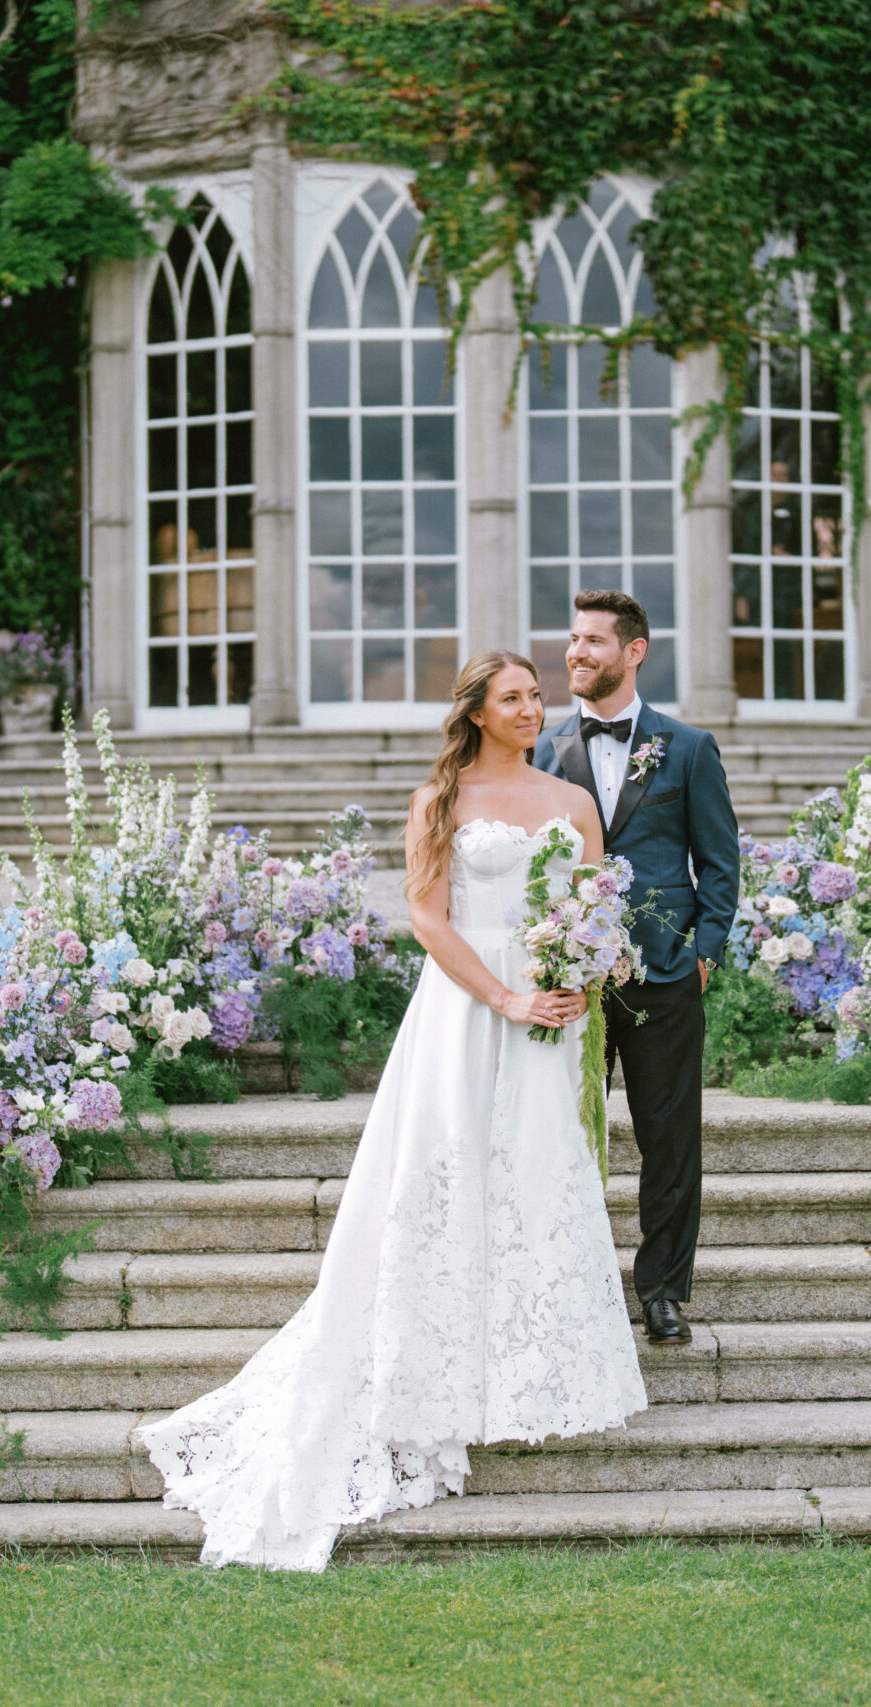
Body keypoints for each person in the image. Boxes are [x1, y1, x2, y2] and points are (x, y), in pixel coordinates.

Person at [139, 649, 647, 1570]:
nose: (532, 708)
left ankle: (534, 1384)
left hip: (553, 1017)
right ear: (477, 712)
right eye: (513, 697)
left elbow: (594, 902)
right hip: (467, 1011)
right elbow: (429, 918)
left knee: (539, 1176)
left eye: (536, 695)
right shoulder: (438, 801)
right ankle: (433, 1376)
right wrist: (505, 994)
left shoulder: (575, 803)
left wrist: (583, 967)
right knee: (445, 1177)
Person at [533, 589, 742, 1344]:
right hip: (570, 983)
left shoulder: (688, 748)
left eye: (593, 640)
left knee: (670, 1140)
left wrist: (703, 955)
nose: (576, 652)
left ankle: (662, 1292)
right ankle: (571, 1285)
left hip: (664, 978)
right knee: (563, 1137)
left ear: (634, 651)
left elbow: (720, 862)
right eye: (573, 639)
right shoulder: (543, 748)